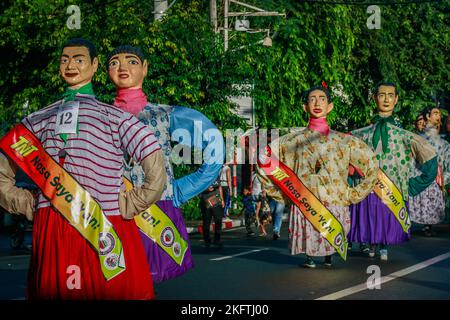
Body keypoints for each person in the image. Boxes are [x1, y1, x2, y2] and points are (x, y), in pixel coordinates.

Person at [0, 38, 166, 299]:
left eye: (79, 59)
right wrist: (23, 202)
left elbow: (152, 159)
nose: (70, 65)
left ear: (95, 65)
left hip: (103, 220)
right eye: (65, 59)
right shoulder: (39, 118)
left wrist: (134, 201)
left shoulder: (113, 117)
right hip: (52, 221)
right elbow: (4, 166)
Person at [107, 45, 224, 282]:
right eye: (114, 62)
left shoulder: (164, 115)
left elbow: (214, 146)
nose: (122, 67)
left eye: (131, 61)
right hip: (112, 208)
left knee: (145, 280)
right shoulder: (100, 116)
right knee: (117, 279)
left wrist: (179, 190)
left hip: (156, 208)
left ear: (145, 68)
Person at [258, 84, 379, 268]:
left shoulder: (344, 141)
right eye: (312, 99)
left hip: (335, 198)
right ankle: (310, 256)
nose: (317, 103)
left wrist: (354, 193)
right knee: (310, 227)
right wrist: (282, 194)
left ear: (329, 106)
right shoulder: (292, 141)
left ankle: (329, 255)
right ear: (305, 107)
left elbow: (371, 164)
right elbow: (264, 158)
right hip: (306, 199)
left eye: (322, 99)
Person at [349, 82, 438, 261]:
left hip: (392, 188)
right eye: (382, 95)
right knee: (371, 213)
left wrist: (412, 184)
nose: (386, 99)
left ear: (396, 99)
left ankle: (383, 246)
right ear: (375, 98)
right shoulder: (361, 134)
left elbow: (429, 158)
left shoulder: (404, 135)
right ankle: (372, 243)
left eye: (391, 95)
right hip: (368, 188)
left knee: (385, 213)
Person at [409, 107, 449, 235]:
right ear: (428, 116)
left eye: (439, 114)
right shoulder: (417, 139)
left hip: (435, 177)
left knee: (432, 202)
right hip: (420, 174)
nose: (438, 116)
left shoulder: (443, 143)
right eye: (435, 113)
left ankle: (428, 226)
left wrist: (444, 178)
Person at [199, 181, 224, 248]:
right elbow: (198, 188)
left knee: (218, 219)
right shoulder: (202, 174)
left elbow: (219, 187)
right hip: (206, 200)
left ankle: (217, 239)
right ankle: (207, 240)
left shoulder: (215, 174)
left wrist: (222, 199)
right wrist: (206, 189)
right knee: (206, 222)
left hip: (216, 199)